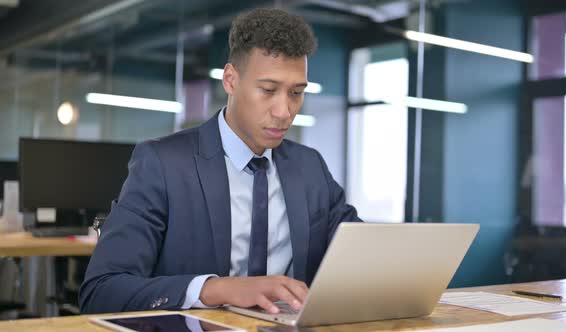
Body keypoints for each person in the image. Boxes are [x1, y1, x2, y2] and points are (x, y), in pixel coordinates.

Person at [80, 7, 361, 315]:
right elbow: (102, 290)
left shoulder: (310, 167)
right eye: (268, 90)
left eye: (296, 92)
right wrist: (217, 289)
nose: (284, 111)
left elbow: (363, 251)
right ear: (230, 80)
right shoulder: (163, 164)